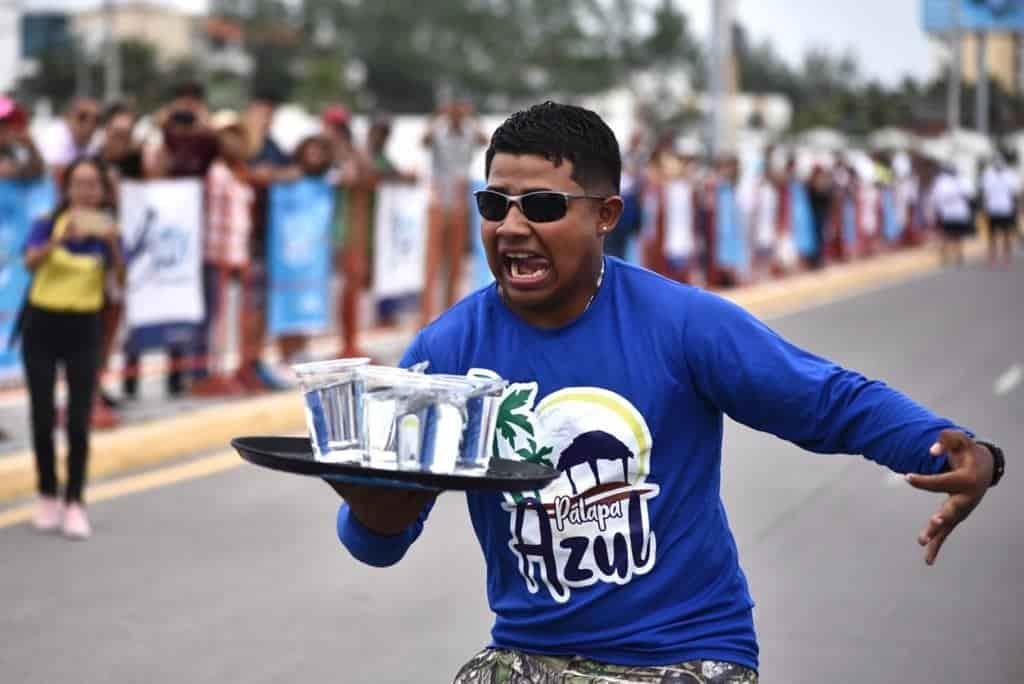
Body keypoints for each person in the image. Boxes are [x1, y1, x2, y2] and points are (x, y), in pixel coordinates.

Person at [328, 103, 1003, 683]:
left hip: (685, 656)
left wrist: (957, 451)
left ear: (607, 215)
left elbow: (827, 400)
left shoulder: (681, 324)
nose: (510, 226)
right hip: (531, 656)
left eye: (541, 206)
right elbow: (378, 544)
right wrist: (371, 502)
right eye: (493, 204)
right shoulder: (447, 354)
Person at [22, 157, 124, 540]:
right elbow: (30, 262)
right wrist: (58, 241)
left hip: (84, 329)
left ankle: (75, 500)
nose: (84, 191)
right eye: (78, 183)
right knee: (42, 415)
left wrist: (113, 247)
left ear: (101, 190)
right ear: (67, 188)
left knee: (79, 419)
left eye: (92, 184)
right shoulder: (47, 221)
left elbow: (121, 281)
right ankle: (47, 491)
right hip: (42, 325)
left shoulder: (108, 229)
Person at [190, 110, 256, 397]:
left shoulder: (238, 171)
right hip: (214, 254)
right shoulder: (214, 172)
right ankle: (203, 372)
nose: (232, 141)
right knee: (210, 316)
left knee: (223, 316)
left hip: (234, 253)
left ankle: (219, 369)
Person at [420, 99, 488, 328]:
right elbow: (424, 140)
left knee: (455, 263)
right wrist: (437, 116)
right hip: (439, 201)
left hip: (460, 203)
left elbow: (485, 139)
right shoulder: (439, 132)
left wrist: (472, 116)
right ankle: (426, 314)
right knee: (433, 262)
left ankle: (448, 312)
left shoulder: (469, 134)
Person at [39, 97, 100, 181]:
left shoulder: (92, 144)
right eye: (82, 117)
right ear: (67, 117)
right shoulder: (55, 136)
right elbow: (56, 173)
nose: (89, 124)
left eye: (96, 120)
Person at [929, 163, 973, 266]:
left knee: (958, 235)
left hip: (959, 213)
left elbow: (969, 194)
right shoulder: (941, 181)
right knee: (946, 235)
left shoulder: (962, 180)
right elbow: (937, 197)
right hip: (947, 213)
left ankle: (958, 255)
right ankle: (945, 256)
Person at [980, 156, 1019, 266]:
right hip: (993, 209)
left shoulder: (1009, 175)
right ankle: (993, 257)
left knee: (1006, 234)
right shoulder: (988, 175)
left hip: (1006, 208)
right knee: (992, 235)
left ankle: (1006, 257)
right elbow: (986, 194)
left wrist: (1016, 207)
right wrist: (985, 208)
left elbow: (1014, 193)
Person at [0, 96, 44, 180]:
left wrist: (30, 145)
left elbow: (37, 170)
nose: (6, 129)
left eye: (8, 122)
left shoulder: (15, 150)